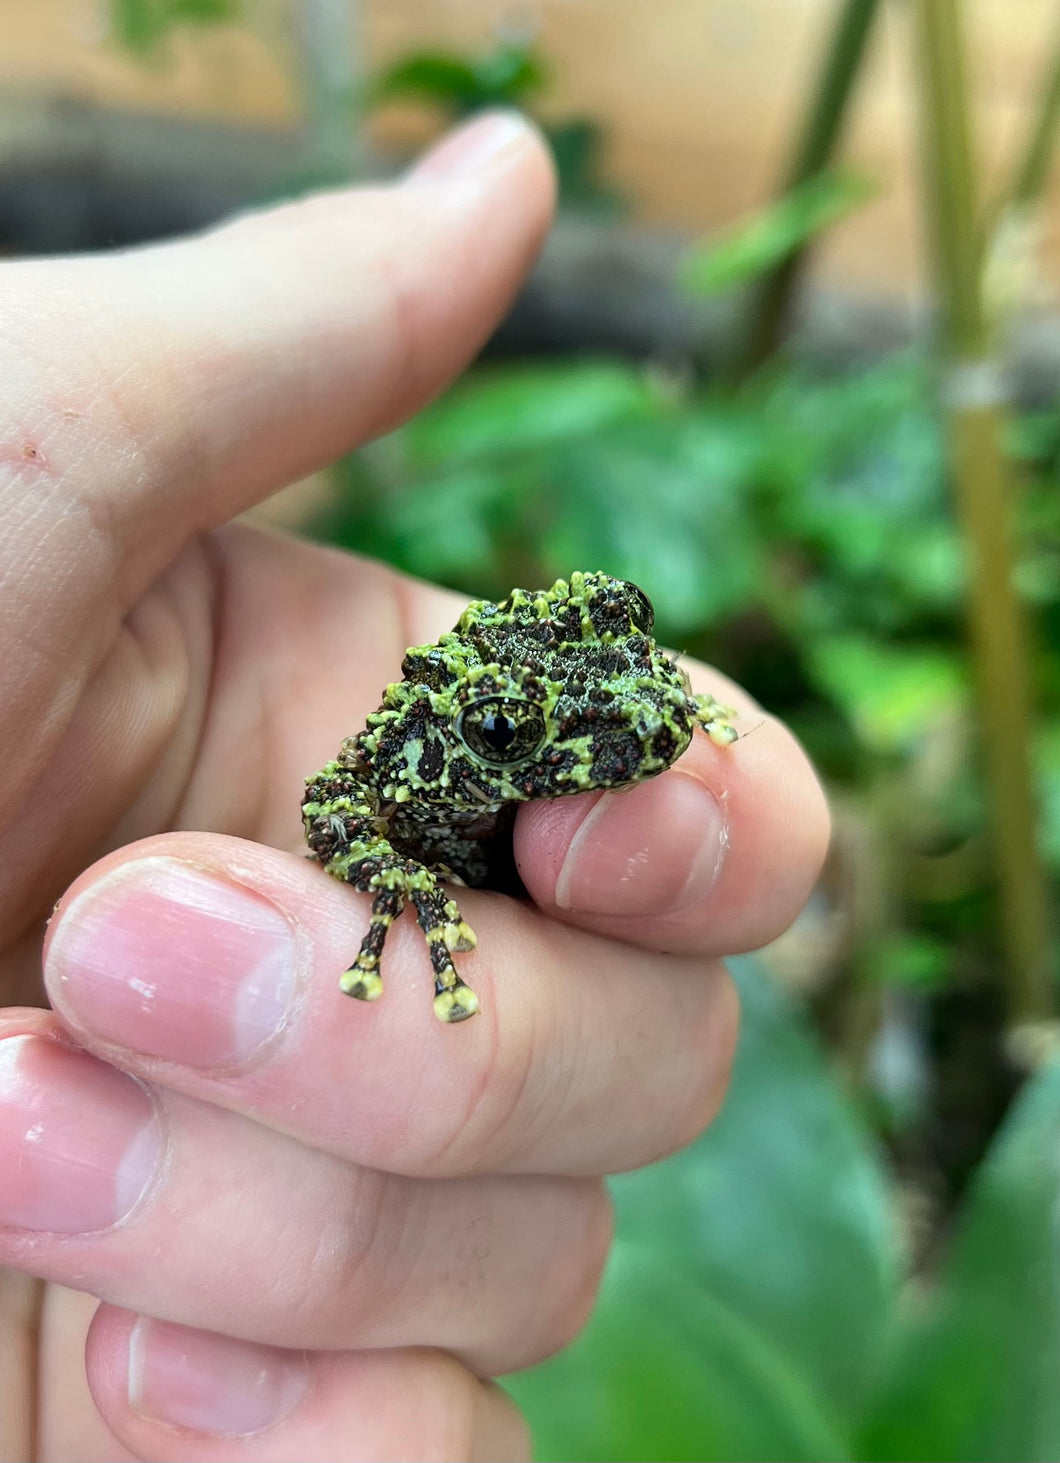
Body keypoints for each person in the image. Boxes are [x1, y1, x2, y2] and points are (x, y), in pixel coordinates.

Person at [0, 112, 829, 1462]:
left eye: (625, 637)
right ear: (476, 734)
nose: (629, 702)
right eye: (517, 724)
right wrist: (420, 906)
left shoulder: (580, 689)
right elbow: (335, 817)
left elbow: (592, 680)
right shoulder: (399, 770)